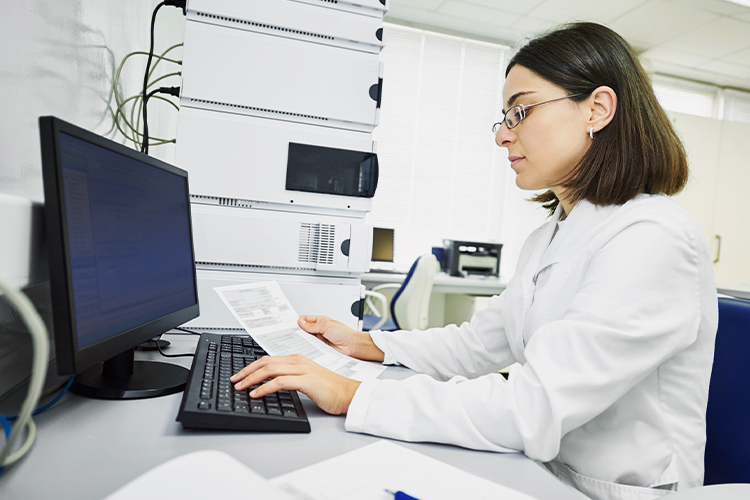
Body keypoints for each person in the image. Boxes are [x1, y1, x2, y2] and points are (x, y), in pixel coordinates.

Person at [231, 22, 718, 500]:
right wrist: (366, 344)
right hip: (541, 470)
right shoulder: (552, 235)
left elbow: (532, 406)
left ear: (597, 108)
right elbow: (478, 346)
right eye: (505, 118)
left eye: (520, 112)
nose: (503, 136)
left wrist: (350, 394)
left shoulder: (653, 238)